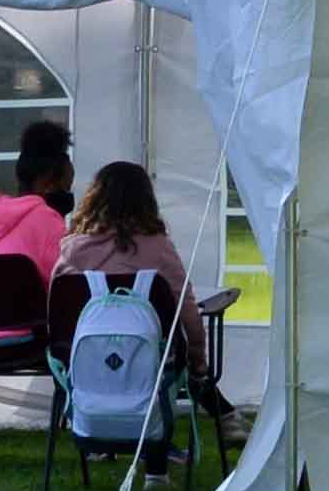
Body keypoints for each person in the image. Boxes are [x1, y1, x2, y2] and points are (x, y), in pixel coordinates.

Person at [60, 158, 225, 391]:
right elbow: (186, 309)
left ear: (93, 199)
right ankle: (225, 415)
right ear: (146, 200)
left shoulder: (71, 251)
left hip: (86, 360)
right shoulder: (159, 249)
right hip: (151, 362)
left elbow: (57, 312)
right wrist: (198, 362)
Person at [0, 119, 73, 277]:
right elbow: (68, 283)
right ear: (48, 183)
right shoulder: (47, 220)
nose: (68, 195)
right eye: (66, 187)